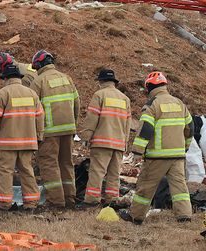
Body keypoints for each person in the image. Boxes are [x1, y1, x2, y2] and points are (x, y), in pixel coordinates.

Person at [120, 71, 193, 225]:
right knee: (180, 187)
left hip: (157, 156)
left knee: (146, 186)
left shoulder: (153, 104)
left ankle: (136, 216)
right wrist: (184, 148)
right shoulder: (180, 103)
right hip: (177, 156)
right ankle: (185, 215)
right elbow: (190, 128)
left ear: (150, 87)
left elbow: (146, 129)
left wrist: (137, 151)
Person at [0, 53, 44, 211]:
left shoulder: (3, 93)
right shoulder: (32, 94)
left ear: (5, 78)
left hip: (7, 144)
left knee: (5, 172)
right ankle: (31, 203)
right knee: (27, 171)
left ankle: (4, 204)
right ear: (19, 77)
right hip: (28, 143)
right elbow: (40, 117)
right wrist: (39, 137)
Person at [29, 50, 80, 208]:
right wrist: (73, 125)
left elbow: (33, 109)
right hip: (68, 130)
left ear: (39, 66)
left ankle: (56, 201)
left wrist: (36, 132)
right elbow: (77, 104)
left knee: (49, 164)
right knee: (66, 163)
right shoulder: (67, 78)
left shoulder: (39, 81)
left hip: (49, 132)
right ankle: (70, 198)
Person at [78, 69, 131, 208]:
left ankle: (91, 200)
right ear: (114, 82)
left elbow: (92, 118)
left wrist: (86, 137)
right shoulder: (125, 99)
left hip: (102, 142)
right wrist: (125, 143)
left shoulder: (99, 95)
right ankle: (112, 200)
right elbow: (128, 124)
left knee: (97, 172)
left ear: (101, 81)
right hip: (119, 143)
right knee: (114, 174)